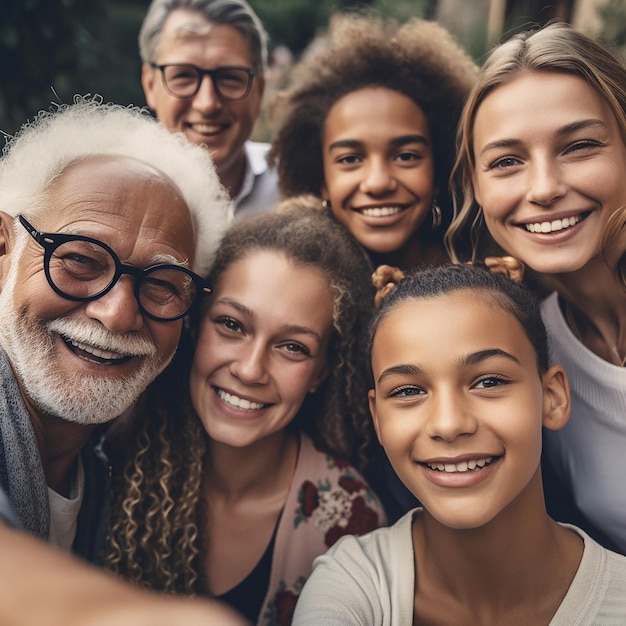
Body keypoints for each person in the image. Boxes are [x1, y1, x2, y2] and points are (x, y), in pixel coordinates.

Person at [0, 98, 244, 623]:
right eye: (81, 260)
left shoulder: (113, 477)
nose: (117, 314)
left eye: (161, 285)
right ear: (4, 249)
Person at [292, 263, 626, 625]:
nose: (448, 425)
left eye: (488, 382)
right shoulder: (351, 586)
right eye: (408, 391)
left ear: (553, 397)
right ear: (378, 418)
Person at [106, 199, 387, 626]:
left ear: (320, 373)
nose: (251, 369)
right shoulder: (111, 458)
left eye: (293, 347)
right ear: (197, 324)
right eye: (232, 325)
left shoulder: (350, 518)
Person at [445, 21, 626, 554]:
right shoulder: (529, 352)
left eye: (579, 147)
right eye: (507, 161)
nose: (544, 188)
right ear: (475, 187)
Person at [269, 14, 477, 271]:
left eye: (405, 156)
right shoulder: (293, 279)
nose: (378, 183)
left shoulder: (481, 279)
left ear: (439, 169)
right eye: (350, 159)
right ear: (321, 180)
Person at [139, 0, 279, 216]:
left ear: (259, 90)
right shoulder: (109, 196)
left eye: (230, 78)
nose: (207, 103)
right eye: (183, 75)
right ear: (150, 85)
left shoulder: (302, 186)